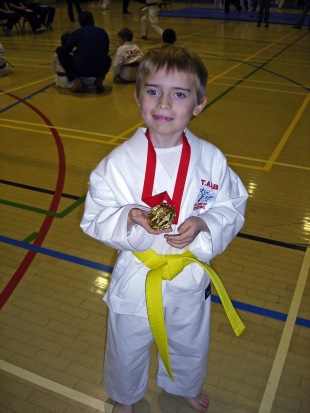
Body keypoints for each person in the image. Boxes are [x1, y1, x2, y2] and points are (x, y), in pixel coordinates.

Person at [80, 45, 248, 413]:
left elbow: (232, 205)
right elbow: (95, 215)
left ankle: (183, 384)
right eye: (153, 91)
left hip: (188, 273)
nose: (164, 104)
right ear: (138, 96)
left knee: (189, 340)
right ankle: (125, 396)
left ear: (199, 104)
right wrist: (128, 218)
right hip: (139, 274)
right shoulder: (119, 163)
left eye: (179, 94)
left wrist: (204, 223)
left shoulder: (211, 158)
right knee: (127, 343)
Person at [56, 11, 111, 93]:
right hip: (101, 68)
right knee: (108, 58)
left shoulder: (77, 33)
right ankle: (100, 78)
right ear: (93, 20)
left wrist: (58, 49)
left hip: (82, 68)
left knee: (62, 56)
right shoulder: (102, 32)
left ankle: (76, 80)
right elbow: (106, 50)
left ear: (80, 22)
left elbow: (65, 50)